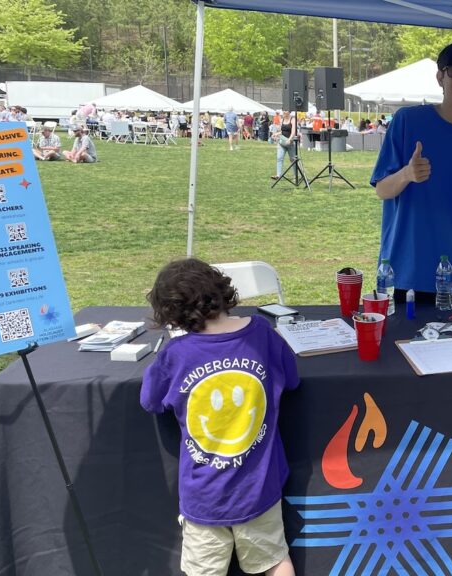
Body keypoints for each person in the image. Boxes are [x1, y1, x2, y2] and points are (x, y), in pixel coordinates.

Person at [141, 258, 297, 576]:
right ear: (221, 291)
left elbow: (151, 400)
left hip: (205, 495)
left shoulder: (175, 356)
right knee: (275, 561)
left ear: (172, 314)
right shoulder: (262, 335)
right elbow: (292, 378)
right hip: (259, 486)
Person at [371, 40, 452, 303]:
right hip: (406, 272)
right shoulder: (407, 121)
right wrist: (407, 174)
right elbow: (382, 190)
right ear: (440, 76)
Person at [272, 114, 297, 180]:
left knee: (293, 160)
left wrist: (290, 139)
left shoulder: (293, 119)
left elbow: (293, 132)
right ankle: (278, 175)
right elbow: (282, 131)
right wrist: (276, 134)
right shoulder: (282, 120)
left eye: (285, 111)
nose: (284, 112)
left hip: (290, 143)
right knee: (279, 158)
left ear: (288, 111)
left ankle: (295, 176)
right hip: (282, 142)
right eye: (283, 111)